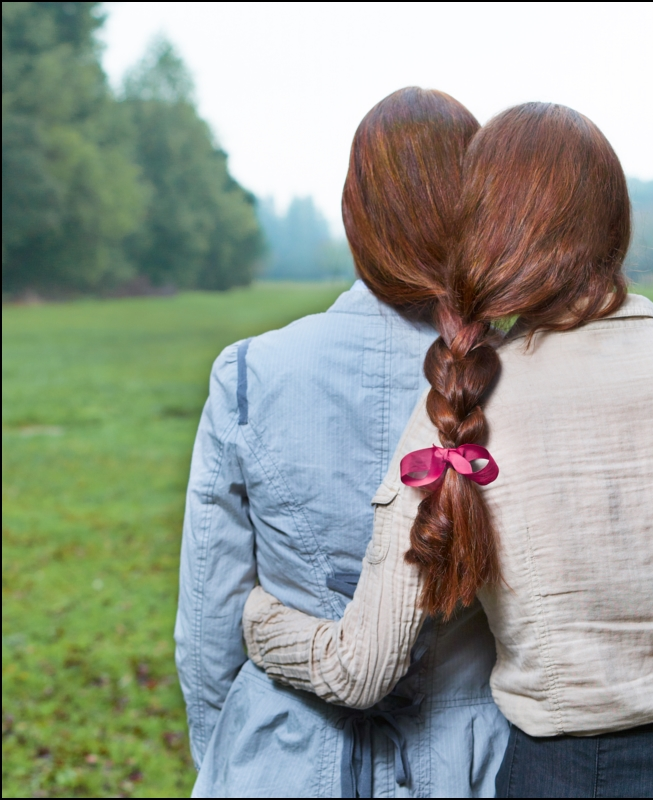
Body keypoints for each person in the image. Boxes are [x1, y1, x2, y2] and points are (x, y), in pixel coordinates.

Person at [243, 102, 653, 798]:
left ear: (480, 230)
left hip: (569, 773)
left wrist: (256, 619)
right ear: (616, 221)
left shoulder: (461, 411)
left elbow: (360, 669)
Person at [175, 87, 508, 798]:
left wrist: (227, 755)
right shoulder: (528, 378)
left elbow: (211, 618)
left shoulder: (251, 373)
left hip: (284, 756)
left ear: (355, 211)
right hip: (476, 762)